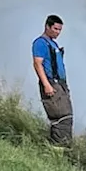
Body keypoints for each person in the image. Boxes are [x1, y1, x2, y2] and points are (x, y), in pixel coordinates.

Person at [32, 14, 73, 148]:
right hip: (51, 83)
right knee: (61, 118)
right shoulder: (40, 43)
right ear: (47, 26)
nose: (58, 32)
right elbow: (38, 64)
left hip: (60, 84)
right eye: (55, 29)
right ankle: (58, 150)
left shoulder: (53, 43)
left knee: (66, 117)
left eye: (60, 30)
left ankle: (63, 148)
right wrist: (47, 85)